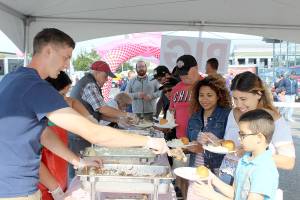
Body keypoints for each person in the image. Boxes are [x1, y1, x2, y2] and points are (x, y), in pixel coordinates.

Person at [0, 28, 169, 199]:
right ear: (48, 51)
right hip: (16, 189)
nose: (67, 65)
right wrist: (148, 141)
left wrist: (78, 162)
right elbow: (94, 133)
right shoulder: (35, 86)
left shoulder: (12, 78)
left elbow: (43, 133)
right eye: (66, 57)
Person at [215, 71, 295, 185]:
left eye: (243, 99)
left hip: (255, 182)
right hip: (225, 177)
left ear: (258, 94)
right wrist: (218, 142)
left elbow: (288, 162)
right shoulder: (233, 113)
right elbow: (232, 145)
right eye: (235, 99)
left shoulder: (274, 120)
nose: (238, 104)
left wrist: (251, 155)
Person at [190, 109, 279, 200]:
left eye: (243, 135)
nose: (238, 138)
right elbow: (236, 194)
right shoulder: (244, 159)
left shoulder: (264, 168)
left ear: (259, 138)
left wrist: (212, 195)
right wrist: (212, 177)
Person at [38, 71, 98, 200]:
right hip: (44, 177)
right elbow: (34, 162)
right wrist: (54, 189)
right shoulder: (38, 114)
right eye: (62, 94)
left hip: (60, 165)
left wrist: (89, 117)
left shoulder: (61, 103)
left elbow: (73, 102)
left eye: (67, 93)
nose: (65, 98)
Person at [186, 75, 231, 171]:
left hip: (215, 172)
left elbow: (229, 147)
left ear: (218, 96)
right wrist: (188, 147)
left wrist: (203, 149)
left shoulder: (227, 115)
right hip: (194, 170)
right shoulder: (194, 117)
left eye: (209, 95)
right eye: (201, 95)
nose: (204, 99)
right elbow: (189, 141)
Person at [169, 55, 204, 139]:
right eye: (181, 73)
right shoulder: (176, 88)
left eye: (186, 72)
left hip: (201, 141)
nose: (183, 76)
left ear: (196, 67)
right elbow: (172, 111)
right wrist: (167, 124)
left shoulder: (207, 85)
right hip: (180, 140)